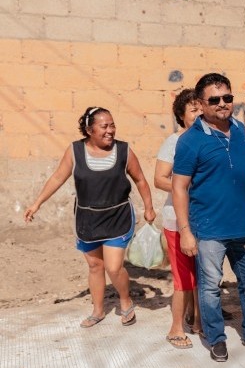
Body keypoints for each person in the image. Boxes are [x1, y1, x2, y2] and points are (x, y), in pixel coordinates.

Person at [24, 106, 156, 328]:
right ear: (89, 130)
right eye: (104, 126)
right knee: (95, 265)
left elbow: (140, 179)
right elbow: (57, 178)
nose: (110, 130)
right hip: (87, 220)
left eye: (112, 125)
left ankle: (125, 300)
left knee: (113, 267)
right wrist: (37, 203)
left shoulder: (124, 151)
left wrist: (148, 207)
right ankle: (98, 310)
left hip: (118, 217)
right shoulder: (75, 151)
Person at [171, 73, 245, 363]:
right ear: (201, 104)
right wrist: (186, 231)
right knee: (211, 288)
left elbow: (242, 161)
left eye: (227, 97)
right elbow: (179, 187)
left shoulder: (238, 129)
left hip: (244, 227)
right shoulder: (190, 141)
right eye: (214, 100)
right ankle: (215, 338)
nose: (223, 103)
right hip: (209, 230)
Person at [154, 89, 202, 349]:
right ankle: (175, 328)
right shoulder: (174, 142)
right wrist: (186, 187)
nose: (199, 114)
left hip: (205, 219)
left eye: (201, 108)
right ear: (181, 115)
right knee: (183, 277)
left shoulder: (210, 139)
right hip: (177, 220)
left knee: (203, 275)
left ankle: (198, 321)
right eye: (193, 110)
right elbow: (159, 179)